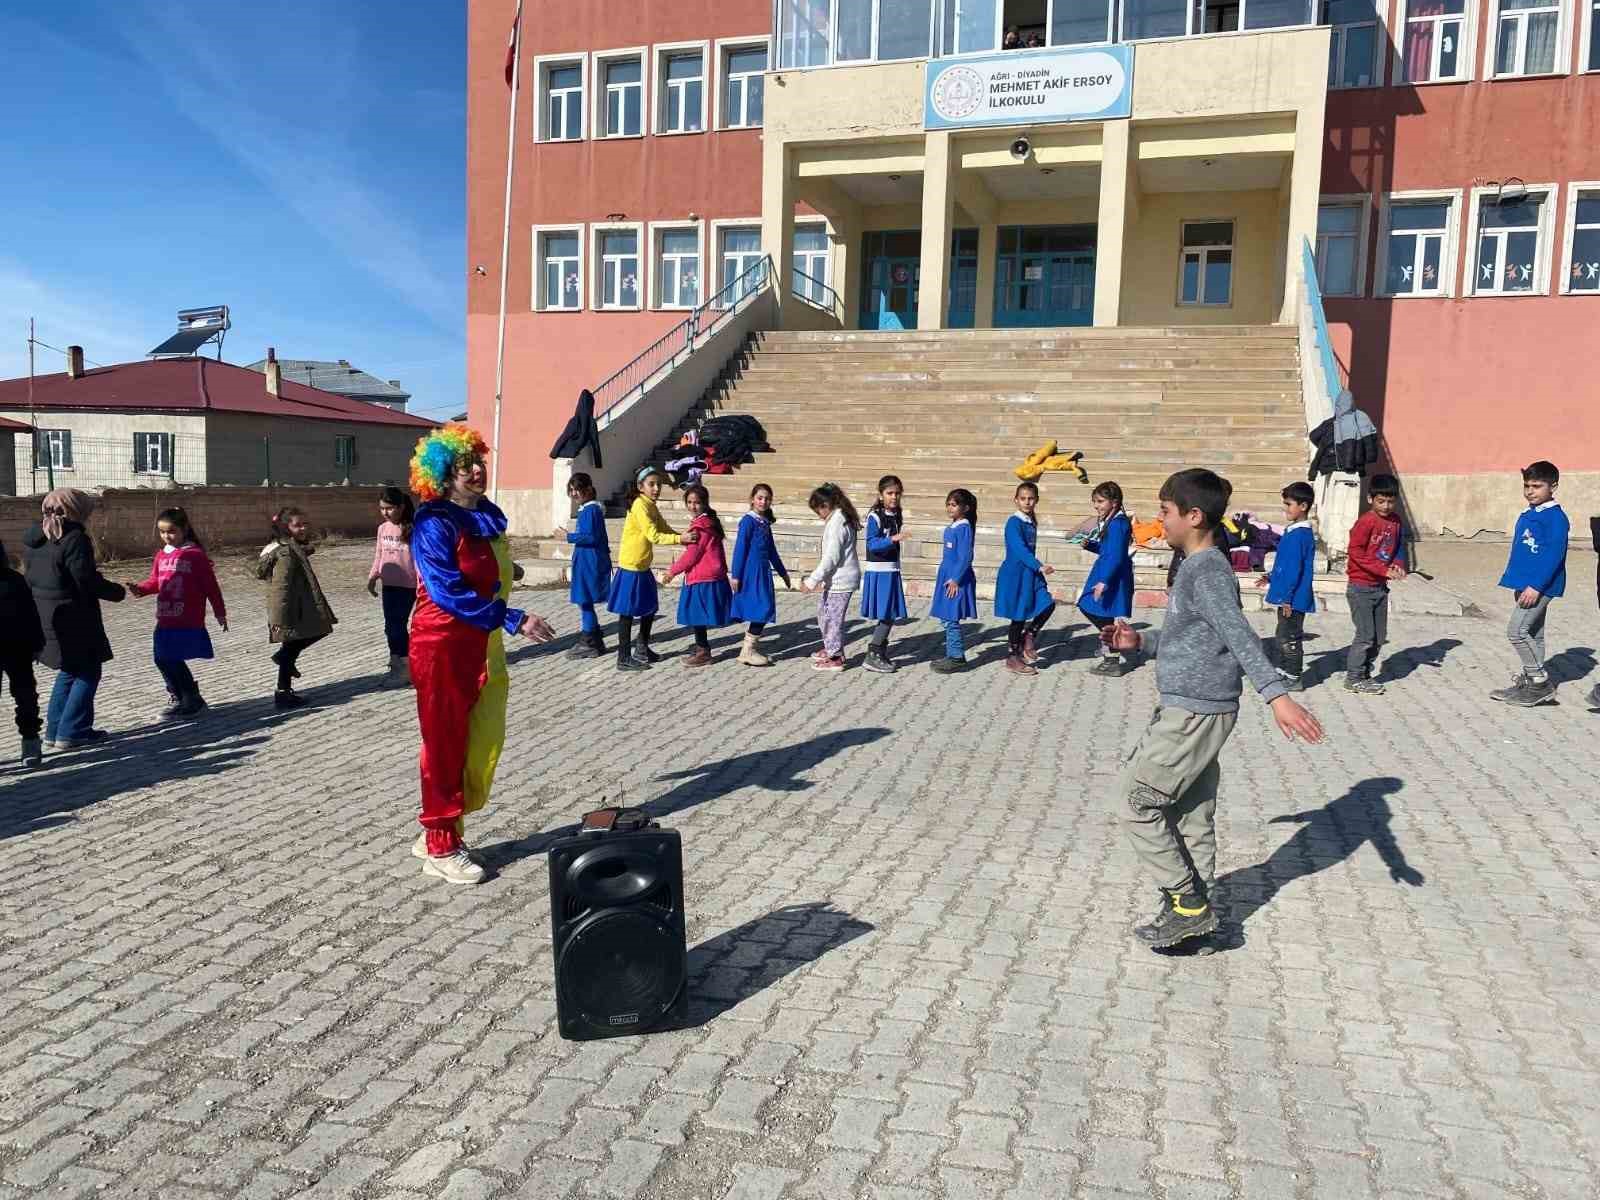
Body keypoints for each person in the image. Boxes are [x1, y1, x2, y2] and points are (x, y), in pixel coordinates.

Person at [1101, 468, 1325, 951]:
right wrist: (1142, 641)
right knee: (1190, 815)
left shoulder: (1206, 571)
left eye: (1165, 512)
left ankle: (1187, 904)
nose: (1159, 521)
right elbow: (1193, 638)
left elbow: (1238, 635)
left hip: (1195, 714)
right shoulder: (1199, 567)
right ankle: (1198, 923)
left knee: (1134, 801)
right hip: (1197, 708)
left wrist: (1276, 694)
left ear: (1194, 516)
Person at [408, 424, 555, 885]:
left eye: (478, 462)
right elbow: (447, 591)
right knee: (444, 743)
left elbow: (486, 566)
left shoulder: (483, 514)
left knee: (482, 739)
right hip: (442, 644)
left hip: (480, 641)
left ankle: (440, 822)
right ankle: (440, 844)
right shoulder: (434, 523)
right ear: (443, 476)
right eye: (463, 466)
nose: (475, 470)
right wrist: (514, 618)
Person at [22, 488, 126, 749]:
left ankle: (55, 731)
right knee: (89, 671)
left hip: (46, 615)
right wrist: (116, 592)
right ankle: (74, 731)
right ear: (76, 510)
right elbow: (85, 578)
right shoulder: (74, 537)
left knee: (70, 670)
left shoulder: (37, 536)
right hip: (73, 616)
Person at [124, 507, 227, 717]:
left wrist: (220, 612)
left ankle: (191, 698)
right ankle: (181, 696)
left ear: (184, 529)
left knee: (171, 657)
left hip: (187, 617)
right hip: (165, 616)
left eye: (171, 531)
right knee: (161, 658)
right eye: (162, 532)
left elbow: (211, 587)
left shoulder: (195, 555)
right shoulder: (161, 555)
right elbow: (156, 581)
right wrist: (141, 589)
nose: (166, 537)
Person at [1490, 460, 1569, 707]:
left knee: (1516, 631)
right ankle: (1530, 682)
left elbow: (1554, 555)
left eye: (1537, 486)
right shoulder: (1529, 513)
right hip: (1525, 585)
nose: (1530, 491)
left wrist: (1536, 586)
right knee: (1534, 633)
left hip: (1540, 586)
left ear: (1553, 486)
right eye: (1526, 485)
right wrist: (1519, 582)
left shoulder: (1556, 518)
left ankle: (1539, 682)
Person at [609, 467, 693, 671]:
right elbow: (653, 535)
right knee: (627, 614)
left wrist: (682, 538)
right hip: (631, 567)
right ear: (640, 487)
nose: (656, 488)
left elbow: (663, 527)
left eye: (659, 484)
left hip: (643, 566)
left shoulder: (651, 505)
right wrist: (679, 538)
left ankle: (642, 648)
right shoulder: (639, 505)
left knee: (649, 608)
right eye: (651, 484)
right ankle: (623, 658)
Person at [255, 506, 337, 709]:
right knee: (310, 634)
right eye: (297, 525)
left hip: (297, 605)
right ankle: (283, 682)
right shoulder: (286, 553)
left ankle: (283, 691)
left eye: (305, 524)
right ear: (285, 528)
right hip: (290, 608)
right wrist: (281, 617)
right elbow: (281, 588)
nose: (303, 528)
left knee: (291, 646)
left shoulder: (290, 547)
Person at [1344, 473, 1406, 696]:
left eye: (1390, 501)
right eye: (1381, 501)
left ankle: (1365, 673)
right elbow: (1356, 552)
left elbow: (1398, 546)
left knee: (1379, 637)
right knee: (1365, 635)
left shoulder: (1396, 521)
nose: (1386, 506)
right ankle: (1354, 677)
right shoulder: (1366, 522)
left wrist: (1398, 564)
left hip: (1380, 588)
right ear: (1370, 499)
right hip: (1360, 587)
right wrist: (1382, 569)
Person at [1254, 481, 1317, 691]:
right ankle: (1283, 671)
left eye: (1289, 504)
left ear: (1303, 506)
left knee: (1290, 638)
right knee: (1282, 635)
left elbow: (1295, 570)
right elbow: (1285, 563)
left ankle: (1294, 677)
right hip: (1288, 596)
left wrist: (1288, 598)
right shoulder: (1293, 532)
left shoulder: (1300, 535)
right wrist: (1271, 577)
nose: (1286, 508)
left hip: (1294, 598)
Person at [1309, 388, 1381, 568]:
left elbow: (1313, 436)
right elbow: (1370, 444)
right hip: (1353, 472)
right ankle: (1344, 550)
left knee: (1335, 513)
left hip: (1333, 471)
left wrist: (1330, 449)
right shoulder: (1361, 419)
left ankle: (1335, 548)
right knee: (1347, 515)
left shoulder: (1331, 423)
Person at [662, 484, 732, 667]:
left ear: (705, 503)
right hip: (711, 574)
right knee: (699, 615)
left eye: (697, 503)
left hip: (702, 576)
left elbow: (692, 555)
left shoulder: (700, 527)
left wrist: (672, 571)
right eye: (690, 502)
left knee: (696, 616)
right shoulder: (709, 522)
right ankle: (702, 647)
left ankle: (703, 651)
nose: (693, 506)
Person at [800, 482, 862, 673]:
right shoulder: (837, 518)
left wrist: (812, 580)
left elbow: (831, 557)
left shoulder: (837, 522)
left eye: (818, 510)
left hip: (841, 580)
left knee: (832, 618)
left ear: (825, 505)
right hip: (836, 580)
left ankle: (835, 657)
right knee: (824, 614)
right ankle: (831, 647)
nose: (818, 516)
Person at [996, 481, 1056, 677]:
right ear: (1016, 500)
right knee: (1018, 617)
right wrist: (1039, 565)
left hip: (1031, 573)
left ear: (1036, 500)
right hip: (1017, 574)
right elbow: (1019, 549)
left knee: (1047, 604)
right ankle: (1013, 656)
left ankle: (1029, 636)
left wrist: (1036, 569)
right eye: (1023, 498)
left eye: (1031, 498)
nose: (1027, 502)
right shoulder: (1013, 522)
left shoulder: (1031, 521)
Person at [728, 482, 790, 667]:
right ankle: (747, 650)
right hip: (750, 571)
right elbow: (740, 549)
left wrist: (783, 573)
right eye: (760, 498)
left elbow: (772, 551)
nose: (763, 502)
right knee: (762, 609)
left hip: (763, 572)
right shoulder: (748, 521)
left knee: (765, 608)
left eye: (767, 499)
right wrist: (736, 575)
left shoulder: (764, 523)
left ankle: (749, 649)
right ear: (752, 500)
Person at [1078, 481, 1135, 676]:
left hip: (1111, 575)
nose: (1097, 506)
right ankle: (1109, 647)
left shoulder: (1118, 524)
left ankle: (1112, 654)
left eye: (1101, 501)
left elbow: (1117, 555)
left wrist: (1105, 581)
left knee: (1090, 607)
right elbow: (1109, 549)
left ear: (1115, 502)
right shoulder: (1113, 521)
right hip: (1107, 571)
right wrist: (1091, 546)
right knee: (1102, 613)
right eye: (1095, 501)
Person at [366, 486, 417, 688]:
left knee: (397, 626)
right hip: (389, 585)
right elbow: (379, 556)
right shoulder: (382, 529)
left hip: (410, 586)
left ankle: (405, 667)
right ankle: (398, 665)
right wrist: (373, 577)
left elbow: (421, 559)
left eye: (389, 508)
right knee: (390, 627)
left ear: (401, 507)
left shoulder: (414, 528)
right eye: (382, 509)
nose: (385, 512)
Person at [0, 537, 44, 767]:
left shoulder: (15, 581)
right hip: (18, 647)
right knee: (25, 695)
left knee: (25, 696)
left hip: (18, 648)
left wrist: (37, 644)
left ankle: (30, 740)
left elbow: (31, 615)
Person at [559, 471, 611, 660]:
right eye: (571, 490)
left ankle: (590, 640)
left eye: (577, 490)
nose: (574, 494)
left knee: (584, 599)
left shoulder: (591, 510)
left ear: (588, 490)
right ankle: (594, 637)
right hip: (586, 560)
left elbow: (590, 537)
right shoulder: (588, 509)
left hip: (590, 561)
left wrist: (568, 537)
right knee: (584, 600)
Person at [861, 474, 910, 674]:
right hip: (879, 572)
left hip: (892, 569)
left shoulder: (897, 514)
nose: (894, 497)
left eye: (897, 493)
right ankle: (873, 653)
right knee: (887, 614)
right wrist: (893, 539)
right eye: (890, 493)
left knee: (890, 614)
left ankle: (879, 651)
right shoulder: (874, 517)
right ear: (881, 495)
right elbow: (872, 544)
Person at [929, 488, 978, 673]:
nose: (950, 508)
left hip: (956, 580)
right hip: (947, 576)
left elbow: (966, 556)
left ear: (965, 508)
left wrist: (956, 579)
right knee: (946, 617)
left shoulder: (964, 527)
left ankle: (957, 658)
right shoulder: (954, 526)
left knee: (951, 618)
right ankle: (952, 654)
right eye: (948, 504)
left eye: (954, 505)